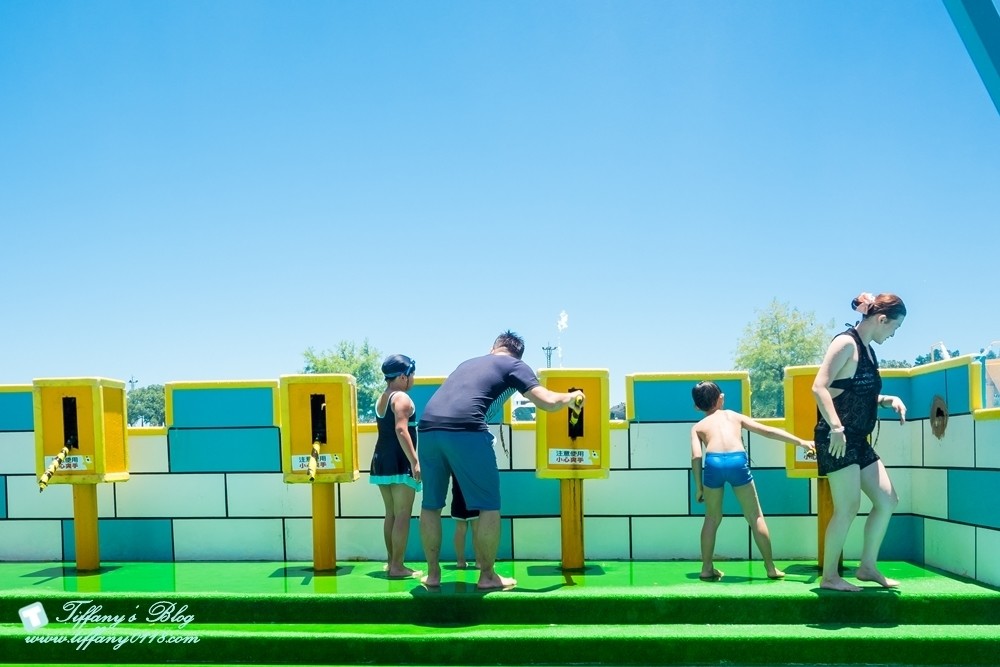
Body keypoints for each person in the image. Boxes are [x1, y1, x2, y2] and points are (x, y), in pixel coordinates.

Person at [418, 330, 584, 590]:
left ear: (493, 347)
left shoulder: (467, 363)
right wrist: (572, 397)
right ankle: (487, 576)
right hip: (466, 430)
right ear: (517, 353)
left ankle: (432, 574)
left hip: (427, 430)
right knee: (488, 506)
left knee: (431, 505)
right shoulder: (514, 365)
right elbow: (548, 402)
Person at [812, 292, 907, 592]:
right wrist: (836, 427)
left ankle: (867, 567)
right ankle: (829, 577)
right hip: (836, 437)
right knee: (848, 507)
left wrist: (885, 399)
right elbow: (819, 387)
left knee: (887, 500)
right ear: (881, 319)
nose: (893, 334)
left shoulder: (868, 350)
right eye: (894, 327)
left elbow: (853, 392)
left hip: (857, 438)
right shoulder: (845, 343)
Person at [690, 381, 815, 581]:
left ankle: (706, 568)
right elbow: (767, 431)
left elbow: (696, 456)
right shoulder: (733, 416)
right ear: (721, 398)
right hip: (737, 460)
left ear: (697, 407)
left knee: (712, 518)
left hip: (712, 463)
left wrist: (698, 487)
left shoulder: (698, 427)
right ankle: (771, 568)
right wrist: (800, 441)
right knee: (755, 516)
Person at [369, 354, 422, 579]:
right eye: (412, 374)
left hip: (381, 459)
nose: (413, 379)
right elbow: (402, 430)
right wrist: (415, 461)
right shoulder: (401, 399)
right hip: (400, 461)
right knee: (402, 514)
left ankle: (391, 562)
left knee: (390, 513)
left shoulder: (382, 398)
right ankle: (398, 567)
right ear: (402, 376)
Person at [450, 474, 479, 569]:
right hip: (474, 494)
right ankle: (479, 561)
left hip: (458, 494)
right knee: (476, 529)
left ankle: (460, 561)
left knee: (460, 528)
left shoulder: (455, 458)